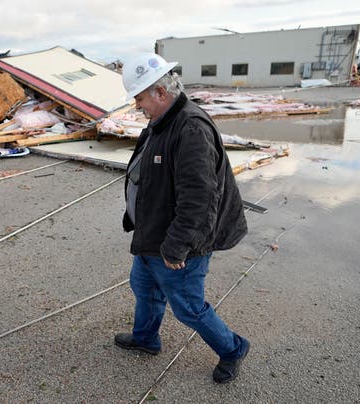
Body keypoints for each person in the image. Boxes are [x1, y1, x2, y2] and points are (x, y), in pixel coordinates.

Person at [114, 53, 250, 383]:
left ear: (160, 93)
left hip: (179, 241)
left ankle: (233, 349)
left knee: (188, 305)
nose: (137, 106)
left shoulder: (190, 129)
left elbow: (200, 201)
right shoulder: (160, 122)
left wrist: (177, 246)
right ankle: (146, 339)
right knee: (143, 287)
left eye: (140, 98)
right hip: (154, 232)